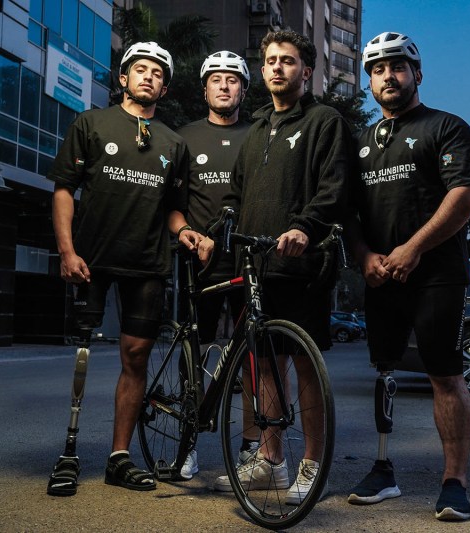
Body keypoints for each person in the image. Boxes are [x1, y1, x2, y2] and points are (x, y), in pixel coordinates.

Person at [199, 30, 353, 504]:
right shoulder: (257, 130)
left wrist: (306, 227)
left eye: (288, 61)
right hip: (257, 267)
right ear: (263, 71)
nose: (278, 68)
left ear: (306, 71)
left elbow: (335, 189)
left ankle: (310, 463)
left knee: (305, 367)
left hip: (302, 265)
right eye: (270, 61)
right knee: (263, 366)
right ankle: (271, 463)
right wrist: (211, 230)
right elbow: (235, 195)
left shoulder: (325, 121)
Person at [346, 32, 470, 521]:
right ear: (369, 80)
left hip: (437, 277)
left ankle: (455, 483)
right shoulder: (360, 142)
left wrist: (412, 249)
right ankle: (383, 470)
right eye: (378, 69)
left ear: (417, 73)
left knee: (444, 375)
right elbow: (350, 215)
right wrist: (365, 255)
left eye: (398, 67)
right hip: (381, 278)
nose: (388, 76)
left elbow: (466, 196)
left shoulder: (446, 128)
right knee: (384, 369)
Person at [46, 41, 194, 496]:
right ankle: (69, 453)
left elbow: (173, 209)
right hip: (93, 259)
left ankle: (119, 457)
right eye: (139, 70)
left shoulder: (174, 142)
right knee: (84, 354)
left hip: (148, 265)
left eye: (156, 73)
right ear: (124, 79)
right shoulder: (91, 123)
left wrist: (186, 231)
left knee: (136, 358)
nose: (147, 76)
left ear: (164, 87)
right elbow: (64, 190)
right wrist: (68, 253)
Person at [173, 50, 257, 480]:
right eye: (216, 79)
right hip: (200, 261)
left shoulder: (260, 133)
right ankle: (187, 444)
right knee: (196, 351)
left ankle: (250, 448)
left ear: (244, 88)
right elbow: (171, 202)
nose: (225, 86)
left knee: (253, 355)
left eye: (233, 79)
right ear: (204, 88)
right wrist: (188, 231)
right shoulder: (183, 137)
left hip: (249, 260)